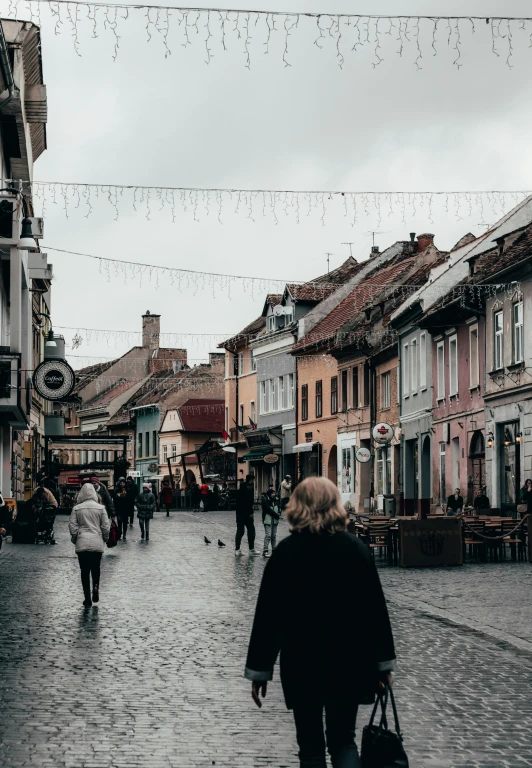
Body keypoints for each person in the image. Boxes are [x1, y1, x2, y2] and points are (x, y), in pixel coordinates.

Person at [245, 477, 396, 768]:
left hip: (302, 661)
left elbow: (268, 617)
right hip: (348, 659)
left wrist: (260, 670)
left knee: (311, 747)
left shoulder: (285, 554)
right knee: (343, 741)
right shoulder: (356, 550)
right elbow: (375, 611)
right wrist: (383, 664)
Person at [69, 483, 110, 607]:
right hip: (96, 542)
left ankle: (87, 598)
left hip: (82, 543)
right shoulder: (101, 508)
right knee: (96, 568)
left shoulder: (76, 508)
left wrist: (76, 538)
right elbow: (105, 526)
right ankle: (96, 587)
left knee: (84, 571)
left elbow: (72, 526)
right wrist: (104, 539)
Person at [235, 474, 260, 556]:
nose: (254, 481)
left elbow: (238, 502)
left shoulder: (241, 488)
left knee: (240, 532)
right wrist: (251, 513)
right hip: (246, 515)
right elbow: (249, 503)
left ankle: (237, 549)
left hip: (239, 514)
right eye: (253, 480)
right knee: (251, 531)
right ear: (251, 480)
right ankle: (251, 549)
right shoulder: (249, 488)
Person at [261, 487, 281, 558]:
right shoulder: (265, 499)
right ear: (269, 493)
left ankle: (274, 550)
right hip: (268, 519)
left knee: (273, 536)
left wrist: (279, 512)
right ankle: (265, 551)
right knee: (268, 535)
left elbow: (279, 507)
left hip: (274, 520)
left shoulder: (276, 499)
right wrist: (276, 515)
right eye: (272, 493)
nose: (274, 494)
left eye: (274, 493)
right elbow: (268, 509)